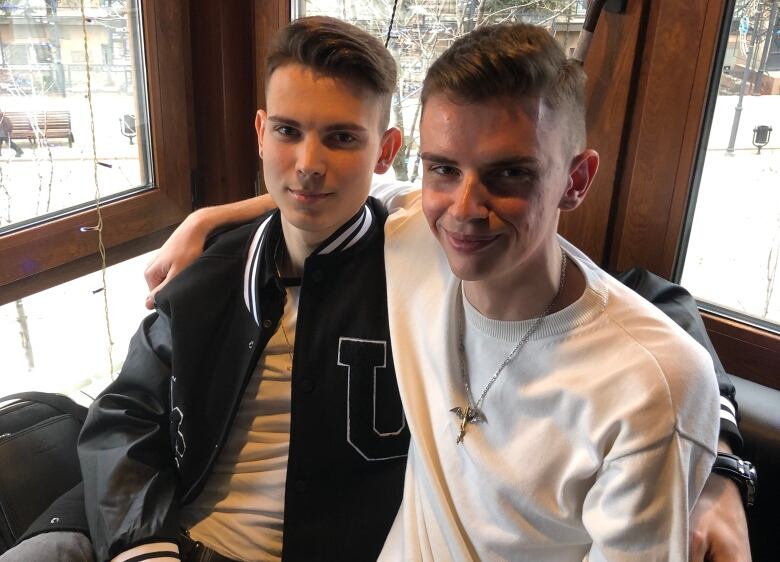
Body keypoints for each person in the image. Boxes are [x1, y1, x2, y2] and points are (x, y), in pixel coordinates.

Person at [144, 23, 752, 562]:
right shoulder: (413, 236)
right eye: (443, 169)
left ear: (576, 180)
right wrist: (210, 218)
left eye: (509, 174)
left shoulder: (648, 386)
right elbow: (325, 193)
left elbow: (663, 339)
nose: (464, 210)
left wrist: (718, 467)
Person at [5, 16, 409, 562]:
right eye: (289, 131)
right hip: (160, 526)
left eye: (341, 138)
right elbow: (128, 409)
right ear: (261, 132)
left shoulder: (418, 273)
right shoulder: (211, 274)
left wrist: (208, 214)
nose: (308, 165)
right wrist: (144, 545)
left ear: (384, 151)